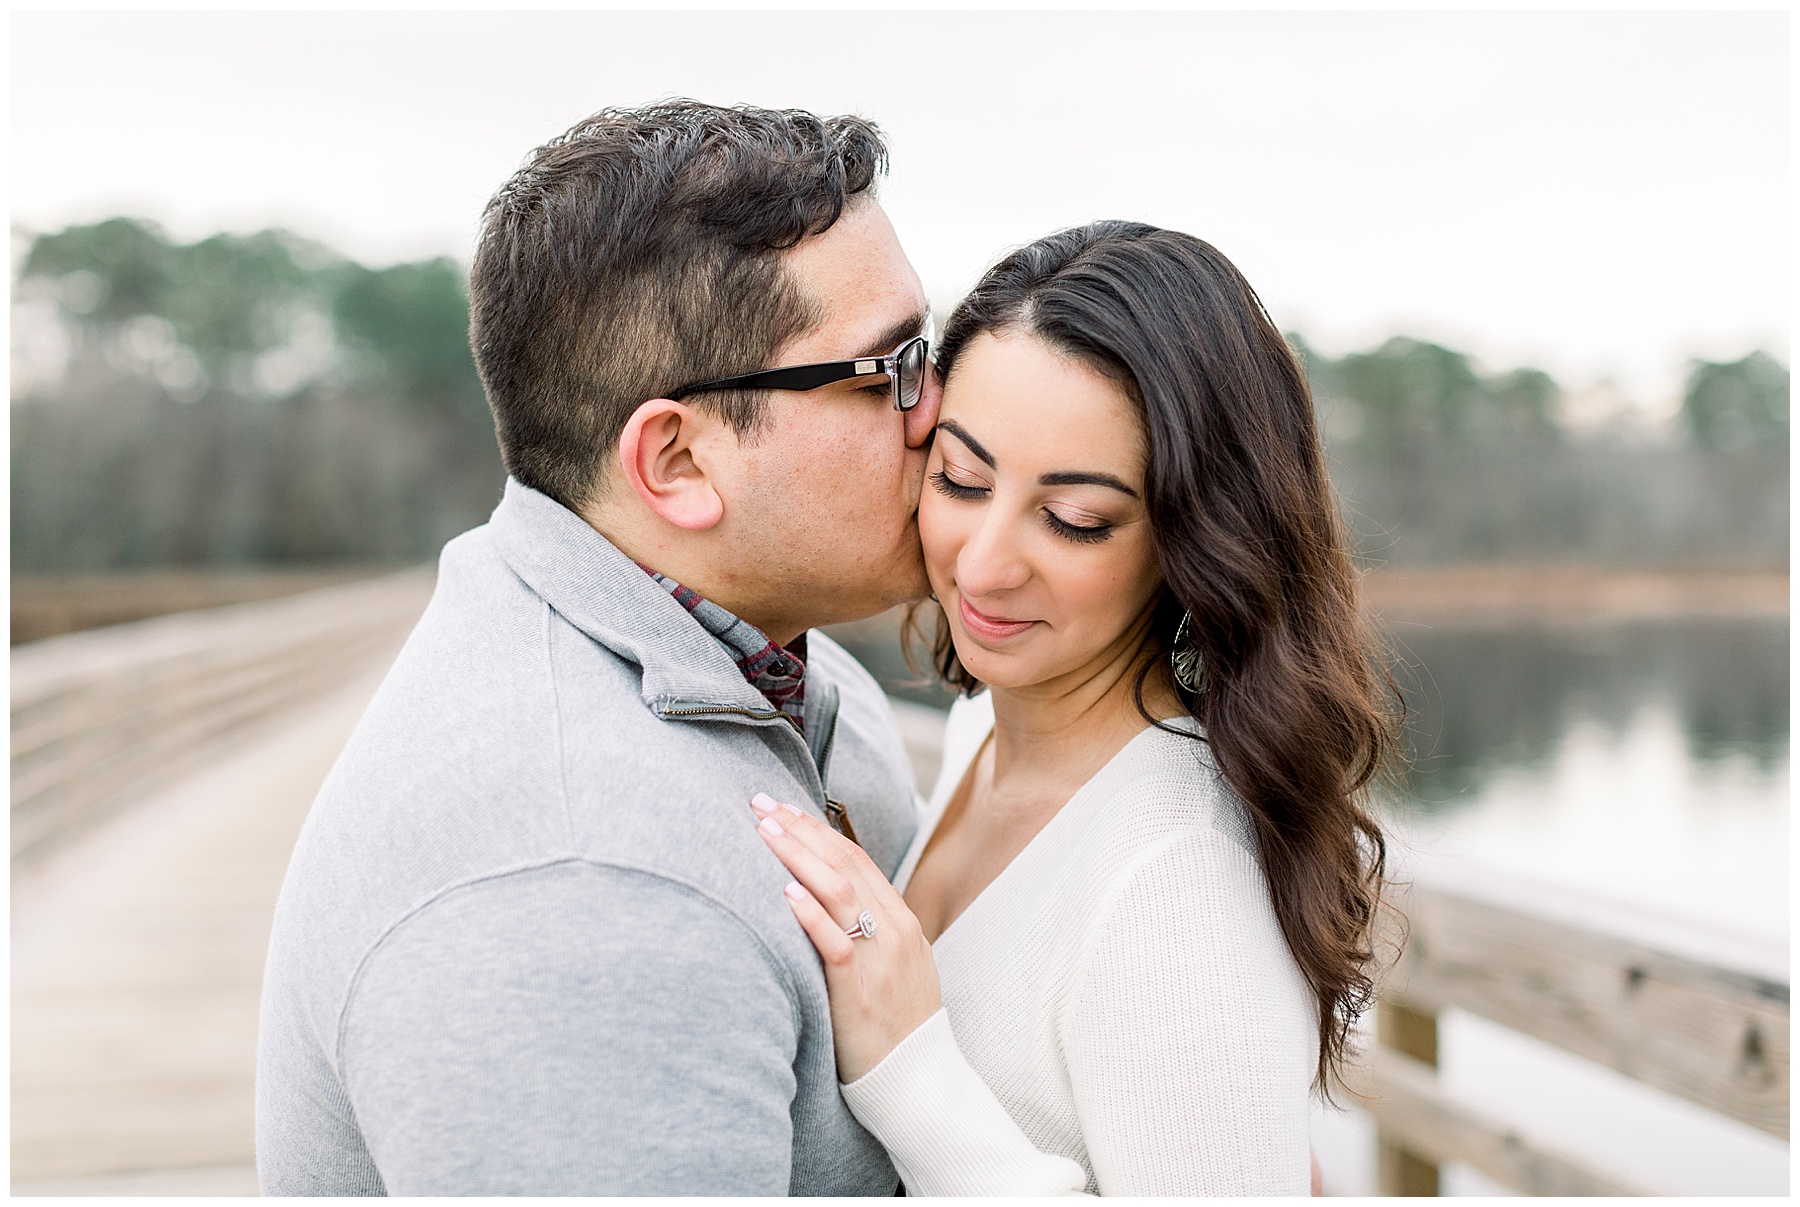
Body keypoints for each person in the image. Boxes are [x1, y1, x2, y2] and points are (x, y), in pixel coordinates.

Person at [255, 101, 942, 1195]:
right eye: (884, 371)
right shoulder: (584, 888)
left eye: (931, 345)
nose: (941, 412)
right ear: (675, 460)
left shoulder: (775, 662)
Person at [751, 221, 1397, 1195]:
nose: (984, 562)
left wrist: (913, 1072)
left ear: (1193, 539)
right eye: (962, 478)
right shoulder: (983, 735)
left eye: (1074, 519)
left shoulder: (1176, 878)